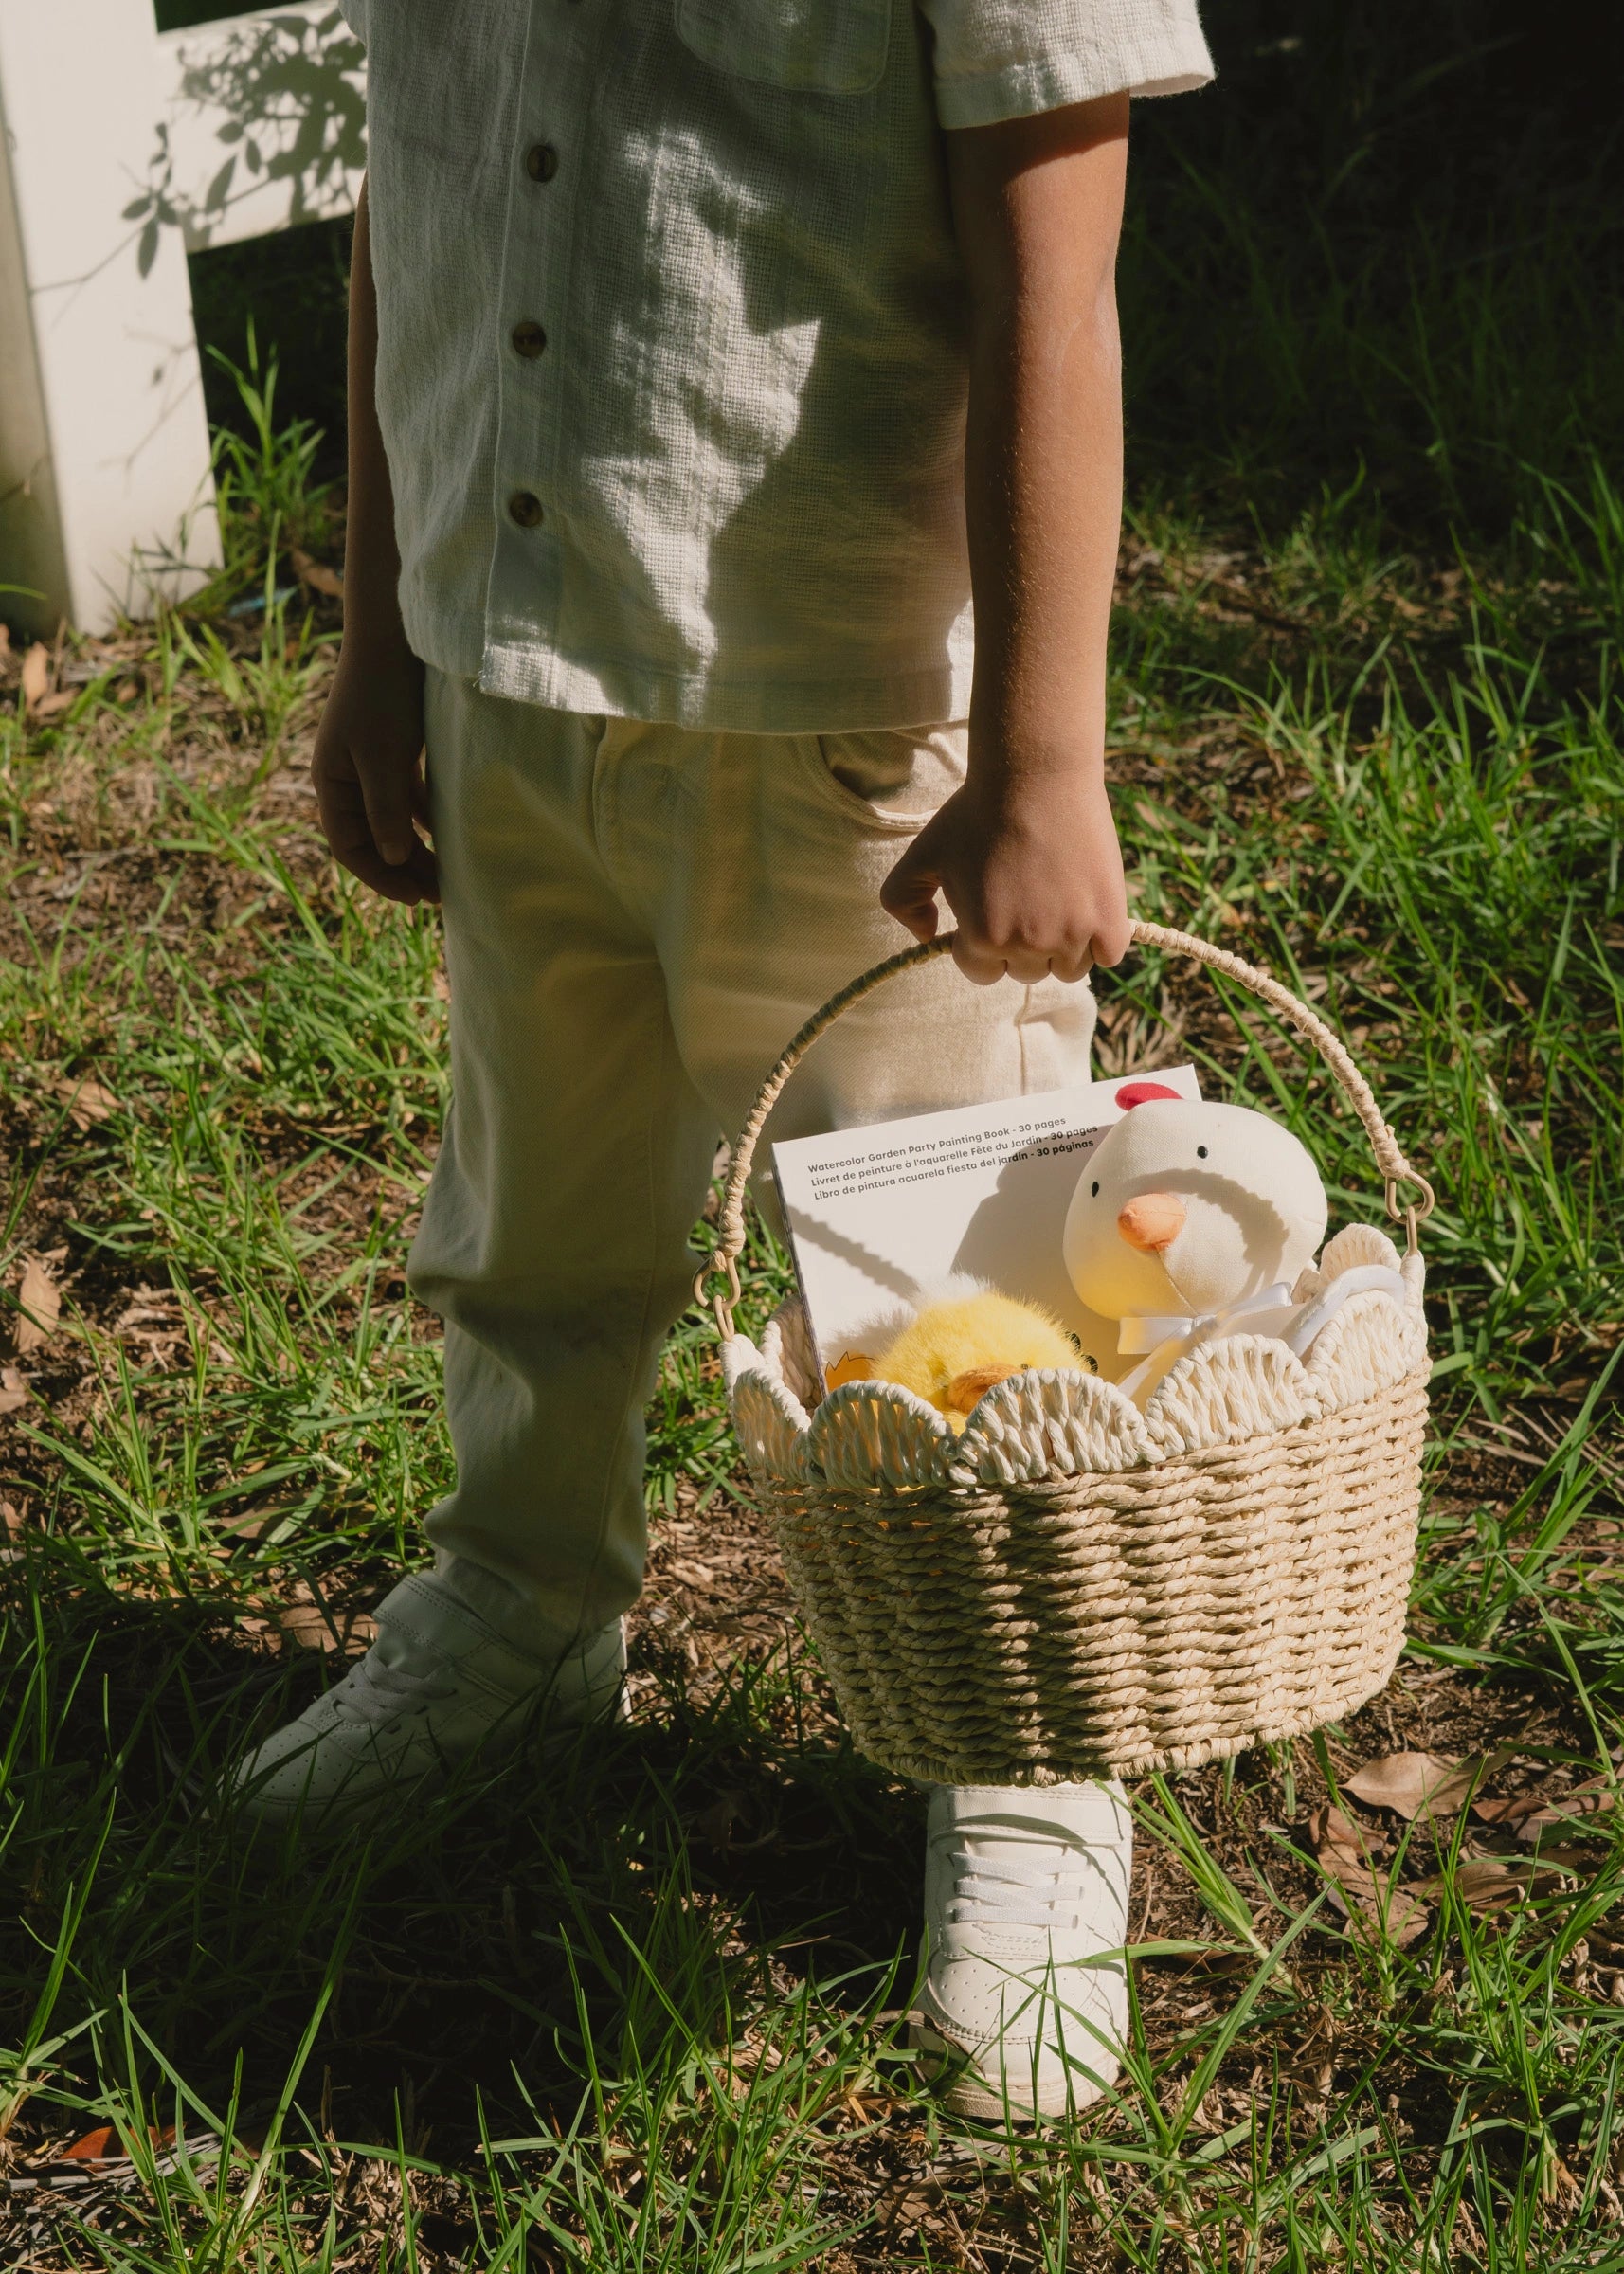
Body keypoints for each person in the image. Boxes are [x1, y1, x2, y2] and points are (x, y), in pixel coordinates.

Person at [234, 0, 1214, 2120]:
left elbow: (1055, 263)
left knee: (957, 1281)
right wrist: (377, 636)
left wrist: (1042, 750)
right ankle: (516, 1600)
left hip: (845, 725)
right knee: (537, 1201)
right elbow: (409, 208)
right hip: (510, 667)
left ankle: (1020, 1753)